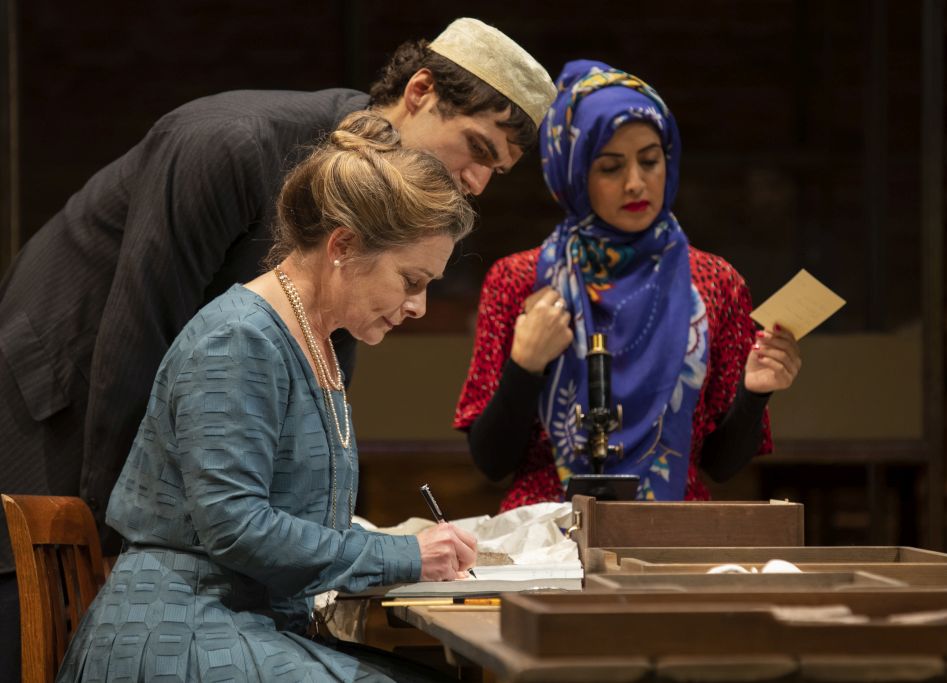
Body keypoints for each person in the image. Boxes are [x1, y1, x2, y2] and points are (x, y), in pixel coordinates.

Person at [0, 17, 555, 673]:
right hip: (59, 389)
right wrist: (116, 546)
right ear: (420, 91)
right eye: (477, 148)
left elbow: (309, 438)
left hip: (216, 561)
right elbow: (138, 334)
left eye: (500, 169)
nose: (478, 180)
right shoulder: (230, 148)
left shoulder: (320, 295)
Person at [57, 110, 478, 683]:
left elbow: (287, 517)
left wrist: (403, 549)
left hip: (244, 622)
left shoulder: (311, 340)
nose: (418, 307)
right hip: (180, 632)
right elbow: (234, 524)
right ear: (344, 246)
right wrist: (403, 555)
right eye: (411, 281)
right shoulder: (241, 339)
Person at [454, 60, 803, 510]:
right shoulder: (519, 280)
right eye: (611, 167)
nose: (636, 183)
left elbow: (719, 465)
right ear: (574, 173)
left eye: (650, 161)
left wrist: (755, 393)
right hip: (546, 540)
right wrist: (525, 364)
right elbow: (492, 461)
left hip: (672, 536)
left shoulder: (715, 283)